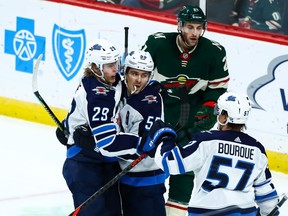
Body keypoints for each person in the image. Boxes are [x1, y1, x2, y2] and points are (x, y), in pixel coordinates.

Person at [141, 5, 230, 216]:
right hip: (158, 114)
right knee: (148, 166)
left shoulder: (214, 52)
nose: (195, 33)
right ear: (180, 26)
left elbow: (218, 89)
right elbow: (138, 76)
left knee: (184, 170)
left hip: (191, 118)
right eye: (190, 27)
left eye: (199, 28)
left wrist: (205, 116)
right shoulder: (157, 43)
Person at [140, 91, 280, 216]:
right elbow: (268, 199)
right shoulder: (257, 150)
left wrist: (165, 139)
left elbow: (171, 163)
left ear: (224, 117)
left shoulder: (207, 141)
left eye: (220, 112)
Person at [95, 50, 168, 216]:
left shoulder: (150, 101)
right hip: (126, 177)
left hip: (148, 180)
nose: (138, 80)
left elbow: (141, 146)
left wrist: (103, 148)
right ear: (125, 72)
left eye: (144, 75)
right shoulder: (120, 93)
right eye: (134, 73)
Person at [56, 39, 123, 216]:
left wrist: (68, 124)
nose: (115, 69)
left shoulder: (109, 81)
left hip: (105, 160)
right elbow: (104, 139)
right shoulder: (95, 93)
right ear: (95, 67)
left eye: (115, 63)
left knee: (115, 210)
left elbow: (79, 111)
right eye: (109, 65)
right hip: (83, 162)